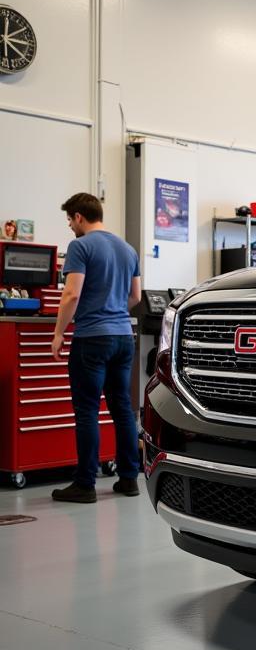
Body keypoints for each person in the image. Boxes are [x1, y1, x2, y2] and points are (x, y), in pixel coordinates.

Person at [51, 193, 142, 504]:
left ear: (79, 217)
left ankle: (85, 484)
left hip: (92, 338)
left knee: (87, 410)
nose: (70, 227)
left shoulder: (80, 246)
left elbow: (71, 294)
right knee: (123, 410)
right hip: (124, 337)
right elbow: (136, 296)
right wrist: (113, 309)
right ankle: (129, 479)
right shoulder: (128, 249)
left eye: (69, 221)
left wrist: (59, 332)